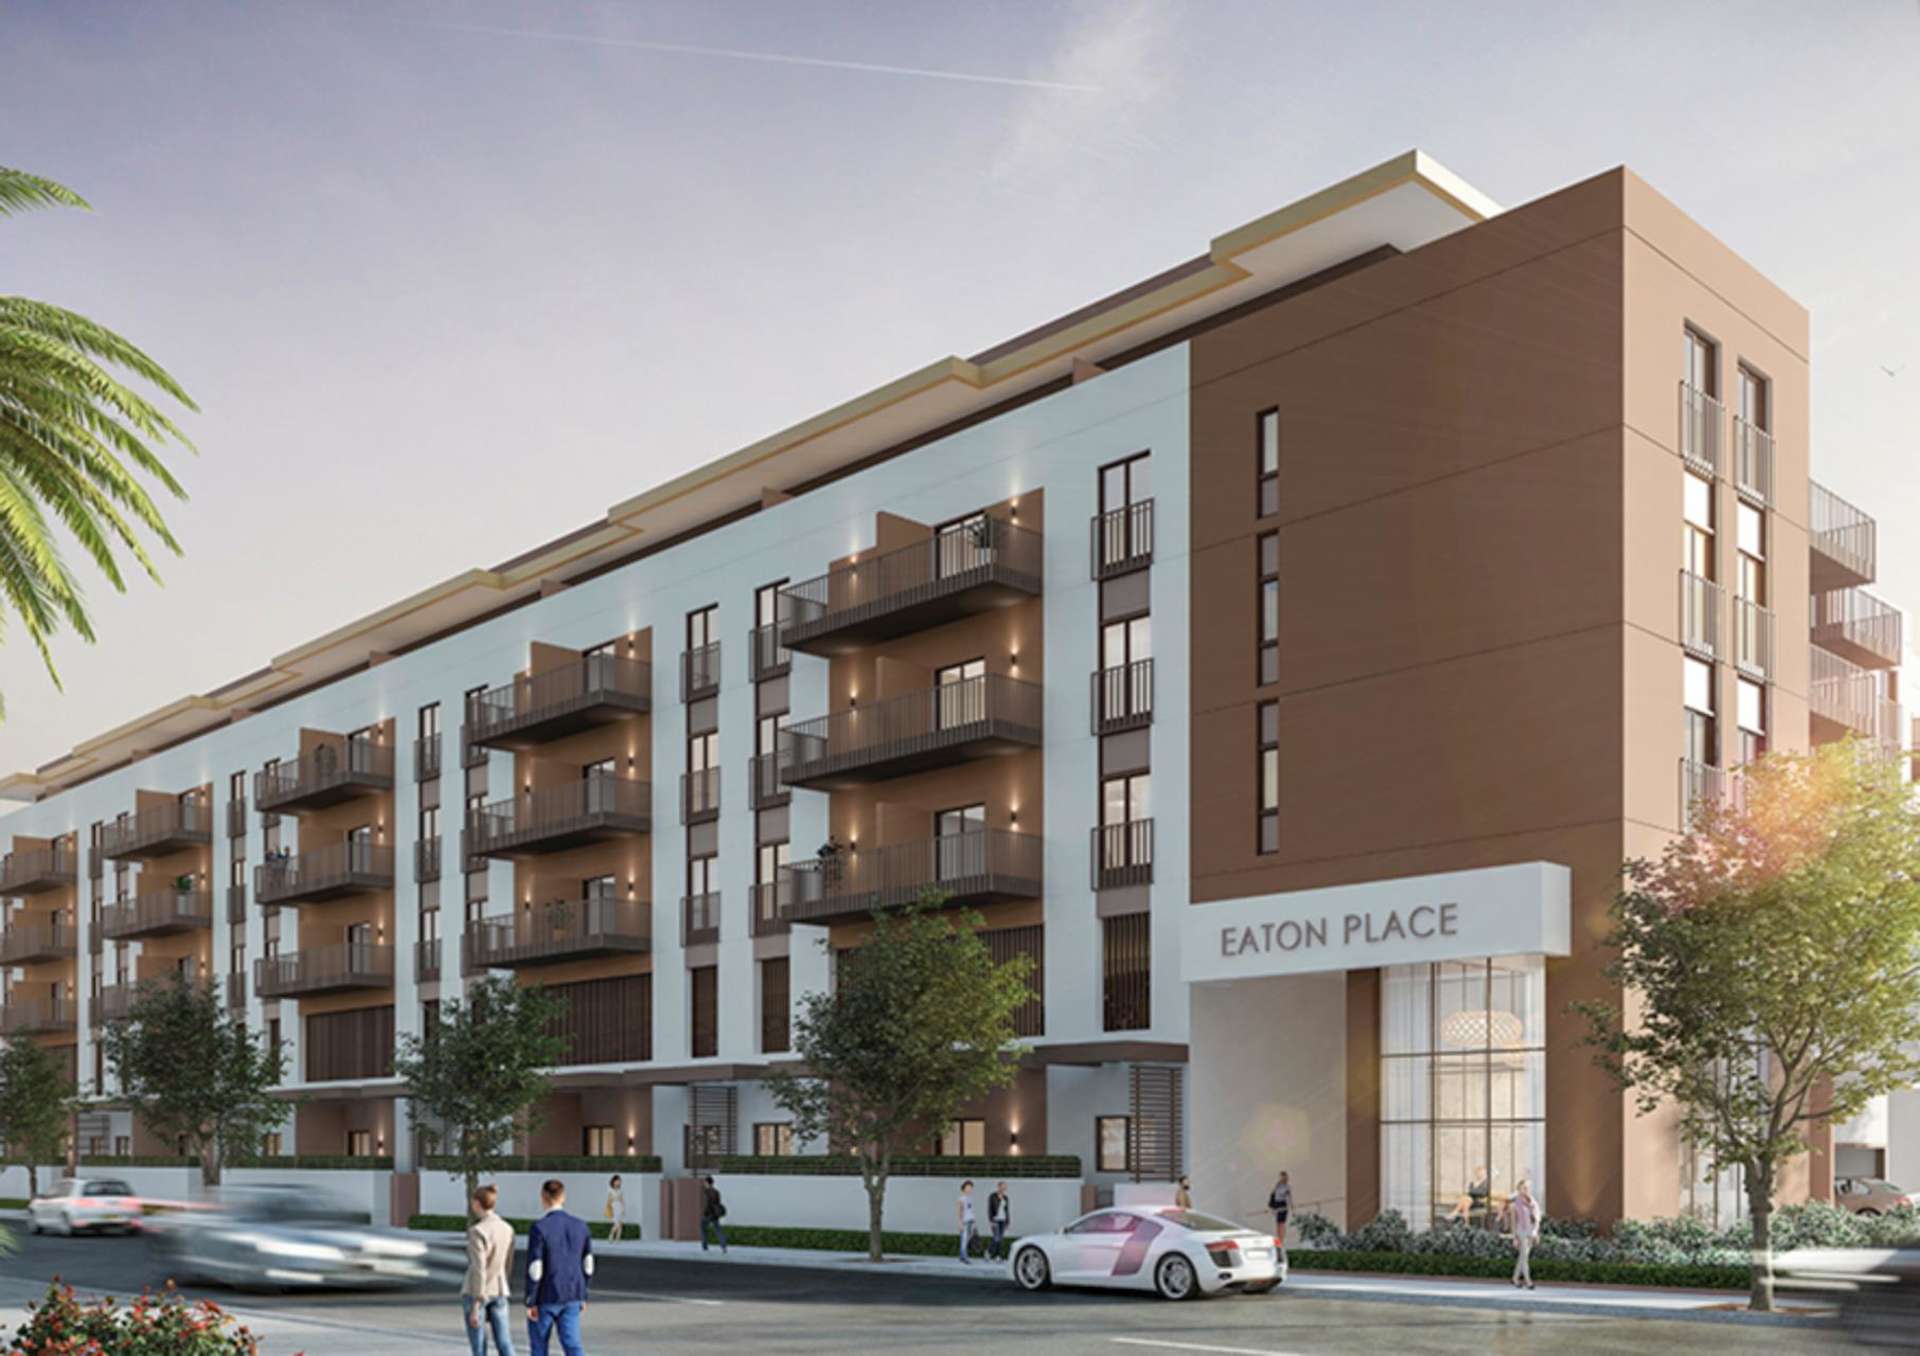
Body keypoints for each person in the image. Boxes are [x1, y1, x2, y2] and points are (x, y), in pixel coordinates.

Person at [524, 1178, 592, 1356]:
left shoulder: (539, 1228)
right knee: (573, 1345)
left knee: (539, 1347)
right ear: (563, 1197)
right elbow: (588, 1264)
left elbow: (535, 1268)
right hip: (572, 1293)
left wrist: (531, 1299)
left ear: (543, 1197)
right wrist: (583, 1292)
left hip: (546, 1295)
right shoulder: (581, 1226)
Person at [462, 1184, 515, 1356]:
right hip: (499, 1289)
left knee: (479, 1347)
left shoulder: (477, 1231)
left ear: (477, 1203)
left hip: (478, 1292)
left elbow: (479, 1268)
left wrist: (477, 1303)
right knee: (505, 1343)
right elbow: (508, 1262)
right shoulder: (507, 1228)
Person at [1509, 1179, 1541, 1290]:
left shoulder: (1533, 1202)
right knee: (1524, 1258)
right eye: (1523, 1188)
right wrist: (1514, 1237)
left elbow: (1537, 1219)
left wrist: (1536, 1232)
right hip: (1521, 1232)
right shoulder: (1514, 1204)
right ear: (1519, 1190)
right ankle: (1528, 1281)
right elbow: (1513, 1222)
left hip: (1531, 1232)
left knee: (1523, 1257)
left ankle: (1515, 1278)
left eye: (1527, 1188)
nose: (1526, 1190)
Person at [701, 1175, 728, 1254]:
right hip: (715, 1214)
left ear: (707, 1183)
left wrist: (705, 1213)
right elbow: (718, 1203)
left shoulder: (706, 1192)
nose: (704, 1184)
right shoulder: (716, 1192)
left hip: (708, 1214)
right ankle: (723, 1246)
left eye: (705, 1182)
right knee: (718, 1230)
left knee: (703, 1229)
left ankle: (705, 1246)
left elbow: (707, 1204)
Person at [1267, 1170, 1293, 1253]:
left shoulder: (1287, 1187)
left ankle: (1281, 1240)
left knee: (1282, 1223)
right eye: (1280, 1177)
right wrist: (1272, 1207)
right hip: (1277, 1204)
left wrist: (1291, 1206)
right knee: (1278, 1223)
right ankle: (1278, 1239)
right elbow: (1273, 1195)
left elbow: (1289, 1197)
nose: (1281, 1178)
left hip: (1282, 1204)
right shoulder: (1277, 1185)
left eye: (1282, 1177)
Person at [985, 1181, 1011, 1261]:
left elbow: (1007, 1211)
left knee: (1001, 1239)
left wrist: (1008, 1221)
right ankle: (988, 1252)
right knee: (996, 1238)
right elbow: (990, 1209)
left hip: (1003, 1220)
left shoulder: (1006, 1198)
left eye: (1005, 1187)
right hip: (995, 1220)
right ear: (998, 1187)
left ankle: (998, 1256)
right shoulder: (993, 1196)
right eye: (1002, 1187)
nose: (1003, 1188)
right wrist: (990, 1220)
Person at [956, 1180, 978, 1263]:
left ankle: (961, 1256)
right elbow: (959, 1211)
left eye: (971, 1188)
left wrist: (974, 1221)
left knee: (967, 1239)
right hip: (964, 1222)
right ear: (964, 1188)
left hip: (970, 1221)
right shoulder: (961, 1199)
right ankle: (965, 1257)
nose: (969, 1189)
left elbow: (971, 1210)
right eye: (968, 1187)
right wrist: (960, 1223)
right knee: (964, 1239)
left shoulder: (970, 1198)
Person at [604, 1174, 626, 1244]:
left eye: (619, 1181)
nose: (618, 1182)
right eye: (617, 1181)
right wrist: (610, 1207)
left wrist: (623, 1208)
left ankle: (617, 1239)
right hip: (614, 1207)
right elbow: (609, 1200)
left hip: (620, 1207)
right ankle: (611, 1235)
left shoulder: (621, 1190)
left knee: (620, 1224)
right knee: (617, 1224)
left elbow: (622, 1200)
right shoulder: (610, 1190)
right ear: (613, 1181)